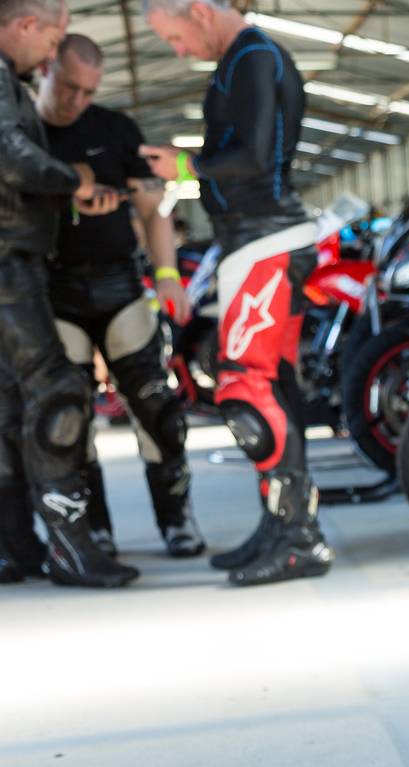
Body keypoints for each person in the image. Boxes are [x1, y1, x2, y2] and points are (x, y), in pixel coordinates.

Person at [140, 0, 331, 586]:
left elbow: (252, 156)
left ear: (199, 11)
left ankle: (298, 537)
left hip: (265, 241)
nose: (177, 51)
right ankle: (284, 526)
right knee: (269, 387)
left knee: (247, 389)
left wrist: (185, 166)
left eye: (175, 37)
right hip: (257, 241)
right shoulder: (246, 59)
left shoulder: (253, 57)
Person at [39, 32, 204, 559]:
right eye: (69, 87)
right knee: (69, 419)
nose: (77, 101)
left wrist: (168, 275)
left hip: (119, 286)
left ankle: (177, 520)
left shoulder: (115, 130)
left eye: (88, 91)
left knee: (158, 408)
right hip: (52, 288)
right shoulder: (23, 134)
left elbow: (153, 211)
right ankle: (95, 531)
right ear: (45, 68)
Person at [0, 0, 136, 587]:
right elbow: (10, 159)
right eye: (54, 39)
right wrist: (72, 182)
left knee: (9, 406)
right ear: (27, 25)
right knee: (56, 393)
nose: (53, 52)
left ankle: (16, 549)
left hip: (14, 257)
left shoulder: (11, 80)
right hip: (7, 262)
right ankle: (71, 548)